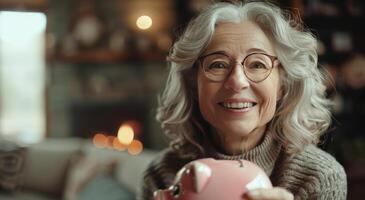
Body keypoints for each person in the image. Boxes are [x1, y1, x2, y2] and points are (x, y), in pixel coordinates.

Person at [139, 1, 347, 200]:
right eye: (218, 65)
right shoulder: (162, 175)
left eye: (257, 64)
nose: (237, 82)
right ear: (193, 84)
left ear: (283, 85)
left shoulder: (319, 176)